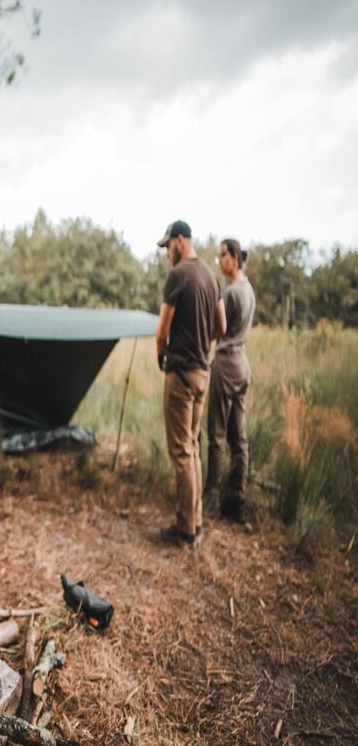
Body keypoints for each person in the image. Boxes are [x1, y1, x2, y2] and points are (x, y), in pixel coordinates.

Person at [155, 220, 226, 547]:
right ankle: (195, 522)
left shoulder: (179, 275)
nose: (167, 251)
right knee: (193, 447)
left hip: (181, 375)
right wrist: (202, 342)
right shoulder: (212, 276)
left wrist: (162, 355)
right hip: (203, 373)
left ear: (180, 240)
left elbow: (162, 330)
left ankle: (186, 529)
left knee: (182, 452)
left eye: (168, 245)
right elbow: (221, 326)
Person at [205, 239, 256, 524]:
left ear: (235, 257)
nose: (219, 261)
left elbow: (217, 329)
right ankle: (236, 502)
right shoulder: (249, 290)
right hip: (243, 364)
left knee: (216, 436)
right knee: (240, 439)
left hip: (225, 365)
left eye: (222, 255)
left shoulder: (231, 292)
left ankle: (210, 500)